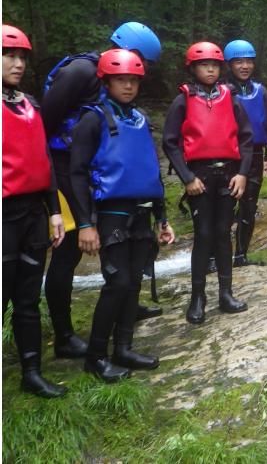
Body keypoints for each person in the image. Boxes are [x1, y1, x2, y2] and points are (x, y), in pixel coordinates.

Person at [41, 21, 163, 359]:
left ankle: (127, 303)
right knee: (68, 251)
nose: (140, 70)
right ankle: (64, 335)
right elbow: (43, 125)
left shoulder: (111, 86)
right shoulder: (82, 71)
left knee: (127, 245)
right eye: (142, 60)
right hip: (64, 170)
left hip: (93, 169)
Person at [70, 49, 175, 382]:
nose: (128, 86)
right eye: (121, 80)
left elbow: (150, 171)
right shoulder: (93, 118)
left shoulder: (140, 118)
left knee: (133, 285)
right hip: (112, 215)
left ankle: (123, 348)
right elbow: (76, 173)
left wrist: (162, 217)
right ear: (107, 81)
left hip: (141, 214)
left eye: (133, 80)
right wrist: (86, 223)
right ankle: (96, 356)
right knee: (118, 283)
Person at [163, 41, 252, 324]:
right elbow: (170, 143)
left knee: (223, 233)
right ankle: (197, 297)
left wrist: (242, 173)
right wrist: (187, 178)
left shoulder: (231, 97)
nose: (210, 69)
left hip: (227, 174)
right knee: (203, 235)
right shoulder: (183, 100)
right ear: (193, 68)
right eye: (204, 65)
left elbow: (247, 139)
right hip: (199, 177)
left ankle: (225, 293)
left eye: (214, 65)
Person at [2, 24, 67, 397]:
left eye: (23, 56)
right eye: (10, 55)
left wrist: (54, 210)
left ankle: (32, 373)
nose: (18, 63)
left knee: (27, 299)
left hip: (33, 213)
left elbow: (44, 161)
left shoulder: (30, 104)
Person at [223, 39, 267, 267]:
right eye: (239, 62)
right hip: (228, 155)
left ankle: (241, 255)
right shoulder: (222, 91)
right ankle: (218, 256)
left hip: (255, 154)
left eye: (248, 62)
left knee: (249, 206)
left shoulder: (261, 91)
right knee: (225, 208)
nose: (244, 66)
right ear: (230, 64)